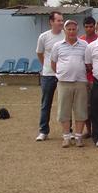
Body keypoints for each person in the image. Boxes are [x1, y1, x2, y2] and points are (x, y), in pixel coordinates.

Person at [50, 20, 88, 148]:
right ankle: (66, 137)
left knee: (80, 110)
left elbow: (87, 63)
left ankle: (78, 137)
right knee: (64, 111)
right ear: (64, 31)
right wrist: (62, 74)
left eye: (74, 29)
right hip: (64, 83)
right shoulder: (57, 46)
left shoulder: (84, 45)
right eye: (69, 29)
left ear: (77, 30)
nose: (71, 31)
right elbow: (53, 63)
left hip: (81, 82)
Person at [35, 11, 65, 141]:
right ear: (51, 22)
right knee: (46, 104)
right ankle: (43, 131)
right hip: (48, 75)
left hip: (64, 76)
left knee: (65, 104)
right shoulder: (43, 37)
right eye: (58, 20)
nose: (61, 23)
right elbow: (40, 54)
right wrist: (47, 66)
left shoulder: (66, 35)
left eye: (62, 20)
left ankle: (67, 130)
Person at [79, 16, 97, 138]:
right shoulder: (81, 40)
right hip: (85, 79)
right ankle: (88, 130)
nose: (89, 29)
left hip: (97, 79)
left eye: (91, 26)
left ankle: (97, 130)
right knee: (86, 106)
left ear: (94, 26)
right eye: (87, 26)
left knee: (97, 106)